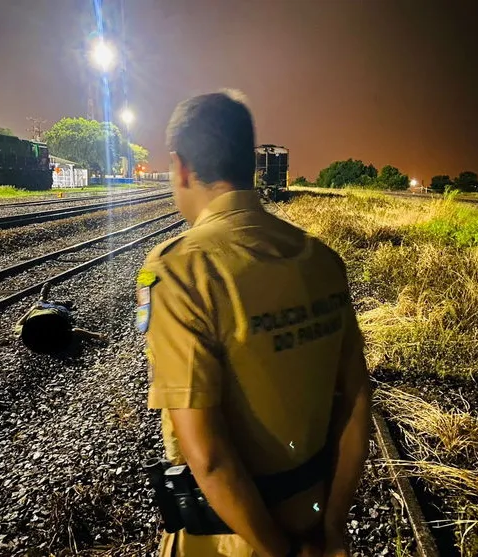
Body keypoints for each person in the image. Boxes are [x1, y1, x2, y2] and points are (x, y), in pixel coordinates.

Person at [136, 90, 372, 557]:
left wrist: (275, 550)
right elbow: (357, 402)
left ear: (180, 167)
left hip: (232, 535)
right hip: (314, 517)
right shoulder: (323, 261)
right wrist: (333, 526)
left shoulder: (179, 271)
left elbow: (209, 455)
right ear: (251, 165)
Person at [14, 282, 106, 354]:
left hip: (41, 309)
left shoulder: (28, 332)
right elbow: (75, 331)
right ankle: (56, 301)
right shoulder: (55, 333)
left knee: (41, 302)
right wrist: (96, 335)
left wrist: (31, 310)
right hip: (56, 311)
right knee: (66, 306)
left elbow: (17, 325)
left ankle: (45, 297)